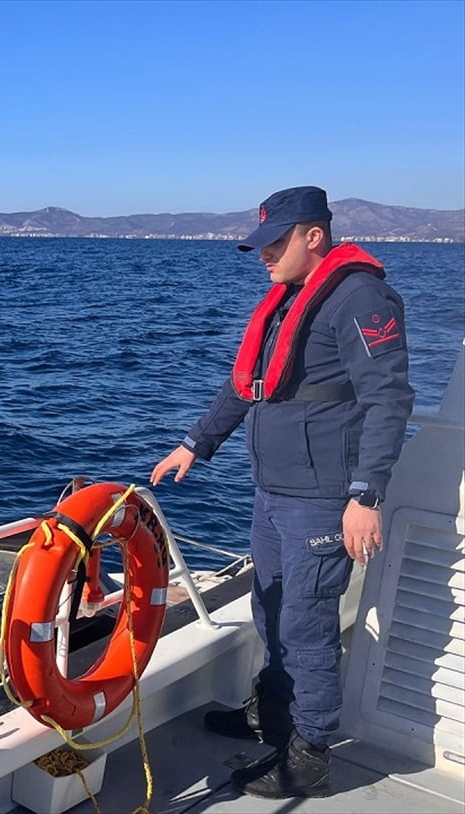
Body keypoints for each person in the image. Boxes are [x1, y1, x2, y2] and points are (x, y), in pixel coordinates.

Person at [150, 186, 414, 799]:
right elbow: (249, 383)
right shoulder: (289, 298)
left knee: (307, 624)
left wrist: (366, 495)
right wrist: (196, 443)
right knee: (268, 609)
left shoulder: (360, 296)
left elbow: (389, 399)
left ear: (313, 236)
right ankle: (274, 717)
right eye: (262, 243)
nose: (264, 254)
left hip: (324, 496)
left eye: (276, 242)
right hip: (273, 491)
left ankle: (311, 753)